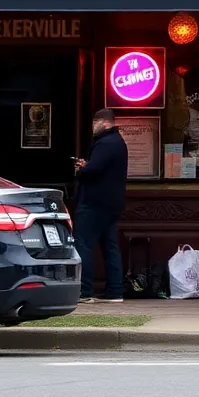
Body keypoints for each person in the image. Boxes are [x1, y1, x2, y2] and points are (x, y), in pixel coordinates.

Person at [73, 108, 129, 304]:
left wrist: (82, 168)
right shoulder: (118, 142)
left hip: (94, 202)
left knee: (83, 244)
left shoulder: (105, 143)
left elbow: (94, 170)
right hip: (111, 203)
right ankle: (115, 291)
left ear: (105, 123)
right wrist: (88, 165)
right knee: (110, 247)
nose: (92, 128)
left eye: (94, 124)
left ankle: (85, 291)